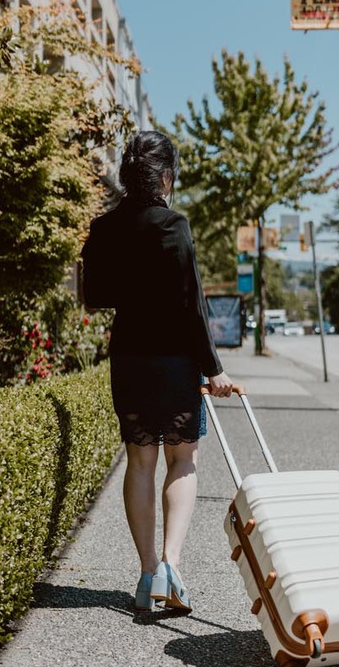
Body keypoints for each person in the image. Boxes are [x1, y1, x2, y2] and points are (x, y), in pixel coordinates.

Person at [81, 131, 234, 614]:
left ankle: (148, 575)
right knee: (182, 460)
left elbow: (94, 295)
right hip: (174, 359)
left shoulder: (104, 228)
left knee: (140, 460)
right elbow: (193, 305)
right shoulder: (174, 225)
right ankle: (171, 565)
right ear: (166, 175)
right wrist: (214, 371)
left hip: (128, 357)